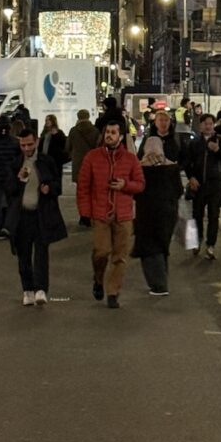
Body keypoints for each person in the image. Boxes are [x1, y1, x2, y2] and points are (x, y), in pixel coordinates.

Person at [77, 117, 144, 308]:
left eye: (113, 133)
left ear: (121, 137)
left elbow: (140, 184)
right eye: (107, 132)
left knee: (120, 256)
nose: (109, 136)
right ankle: (98, 278)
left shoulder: (130, 159)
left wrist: (125, 185)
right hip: (100, 214)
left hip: (123, 215)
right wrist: (85, 211)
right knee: (101, 252)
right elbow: (83, 187)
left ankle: (113, 292)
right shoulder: (92, 157)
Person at [4, 128, 67, 305]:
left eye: (30, 144)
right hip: (21, 216)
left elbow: (58, 186)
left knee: (41, 253)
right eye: (22, 145)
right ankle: (27, 290)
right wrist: (18, 179)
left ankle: (41, 289)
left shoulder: (47, 161)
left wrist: (49, 189)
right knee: (23, 254)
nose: (26, 148)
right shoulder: (15, 163)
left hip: (42, 214)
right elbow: (8, 190)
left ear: (37, 142)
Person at [132, 135, 183, 295]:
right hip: (168, 214)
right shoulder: (172, 167)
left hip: (146, 214)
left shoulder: (139, 168)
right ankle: (162, 279)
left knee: (149, 248)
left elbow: (135, 191)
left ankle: (159, 285)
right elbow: (179, 191)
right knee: (162, 247)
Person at [184, 113, 221, 259]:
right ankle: (196, 241)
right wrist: (191, 177)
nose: (208, 126)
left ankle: (211, 245)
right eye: (206, 124)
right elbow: (187, 162)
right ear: (200, 125)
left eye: (211, 124)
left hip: (215, 184)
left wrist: (218, 150)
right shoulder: (195, 142)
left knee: (213, 215)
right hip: (198, 184)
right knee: (196, 214)